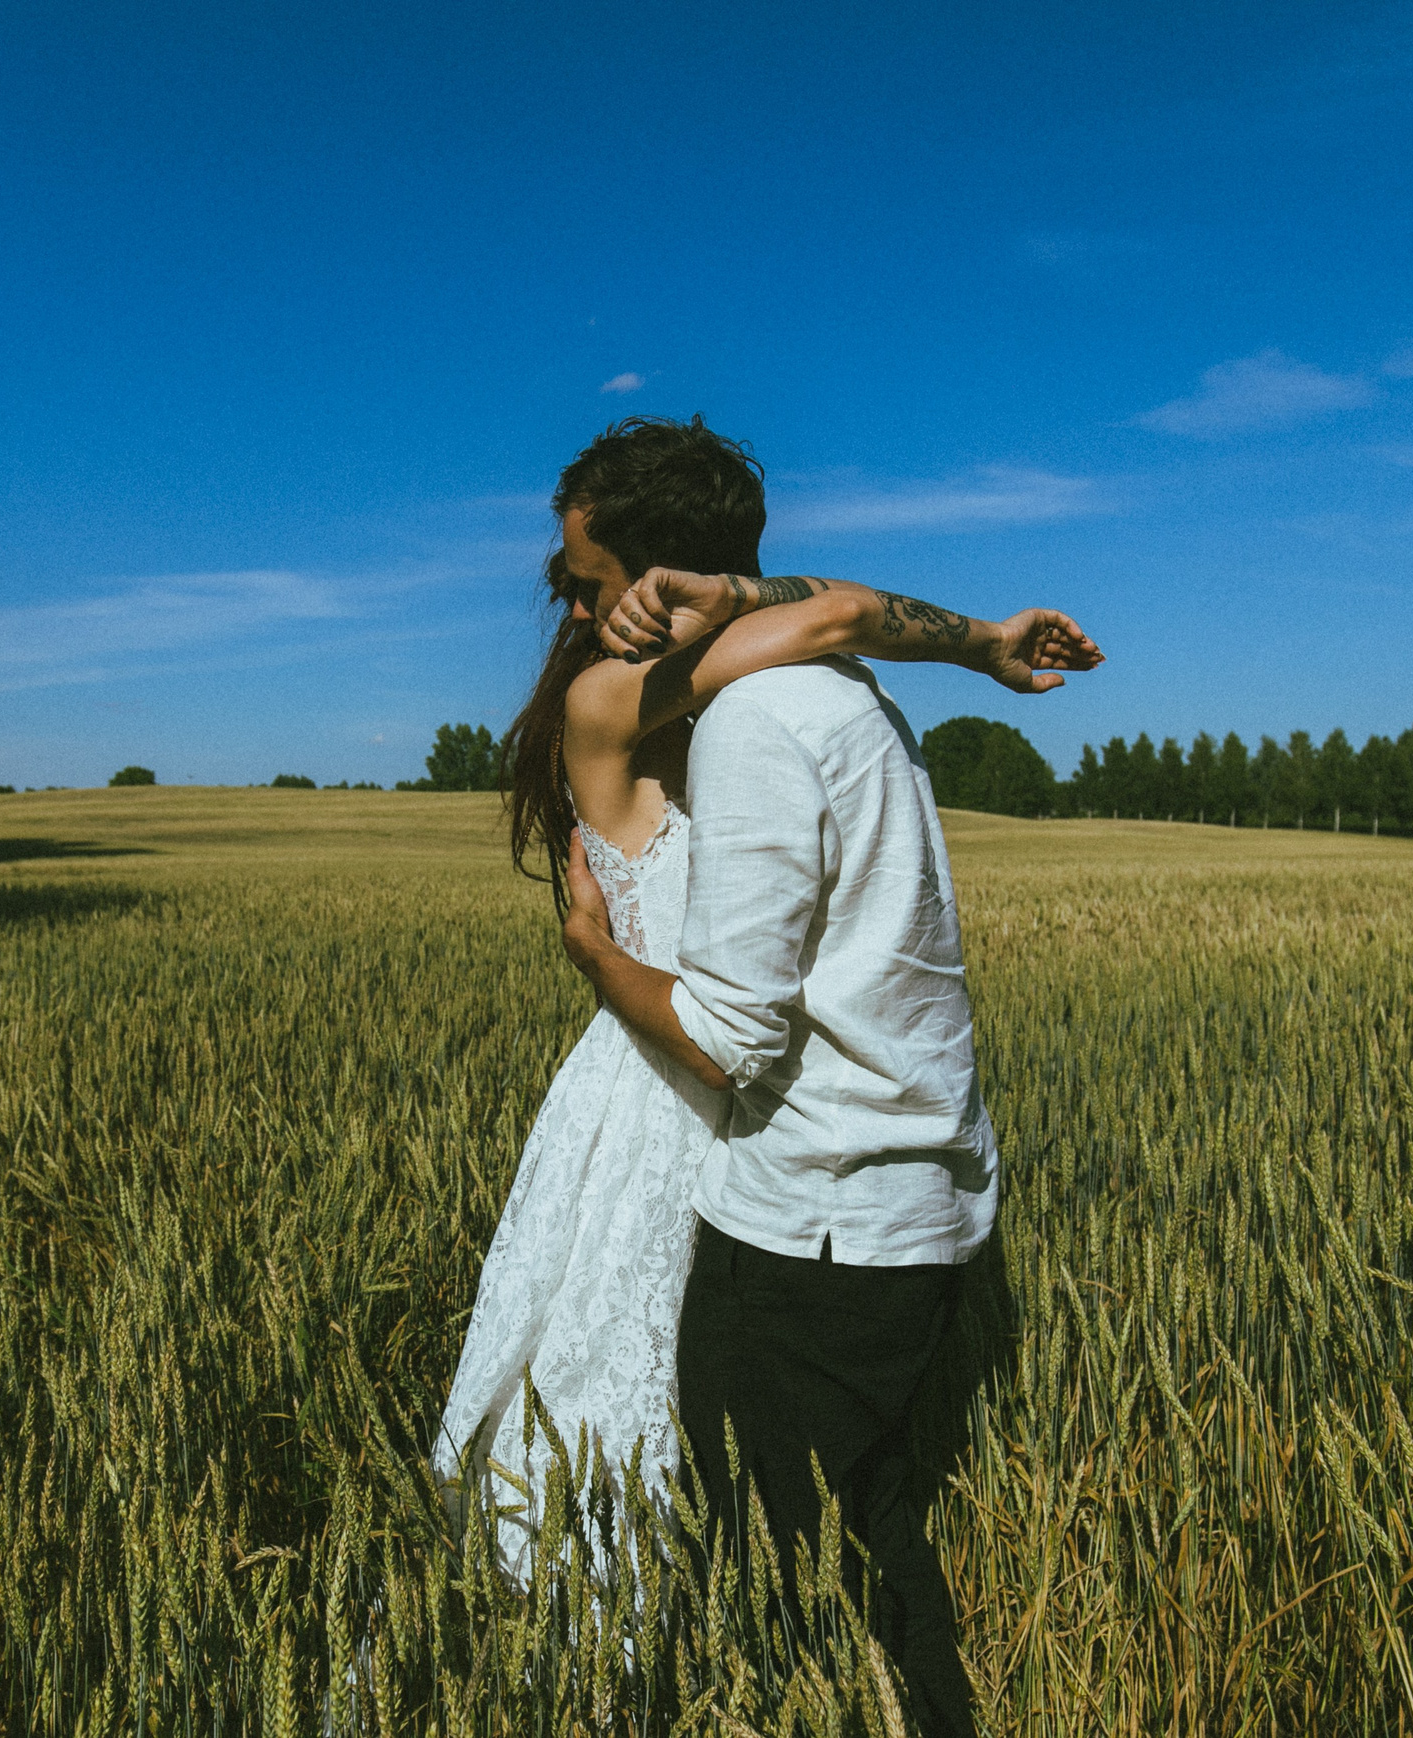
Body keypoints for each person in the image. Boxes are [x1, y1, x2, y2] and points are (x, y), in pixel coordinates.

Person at [432, 413, 1100, 1659]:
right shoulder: (608, 702)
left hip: (727, 1104)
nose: (575, 615)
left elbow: (832, 622)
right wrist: (976, 641)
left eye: (589, 583)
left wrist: (595, 955)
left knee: (748, 1480)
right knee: (632, 1440)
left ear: (660, 575)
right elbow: (839, 613)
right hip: (661, 1100)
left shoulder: (760, 714)